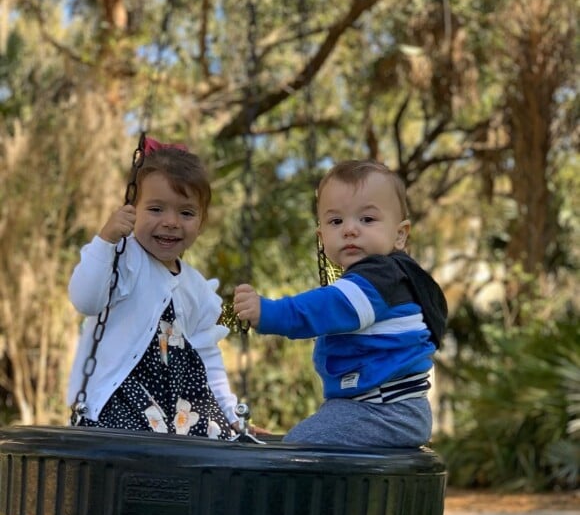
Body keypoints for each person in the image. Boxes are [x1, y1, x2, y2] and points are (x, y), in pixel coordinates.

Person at [234, 159, 447, 448]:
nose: (349, 230)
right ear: (322, 237)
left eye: (367, 219)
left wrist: (269, 312)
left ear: (400, 235)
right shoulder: (384, 277)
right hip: (374, 407)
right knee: (298, 440)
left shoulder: (382, 277)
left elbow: (325, 309)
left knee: (299, 447)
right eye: (336, 221)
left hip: (385, 410)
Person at [68, 138, 239, 439]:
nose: (171, 222)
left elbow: (207, 356)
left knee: (222, 443)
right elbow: (86, 301)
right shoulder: (125, 257)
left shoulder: (197, 287)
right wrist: (106, 241)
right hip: (122, 395)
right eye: (156, 209)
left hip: (180, 407)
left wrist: (231, 413)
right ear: (132, 210)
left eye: (186, 213)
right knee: (135, 446)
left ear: (201, 221)